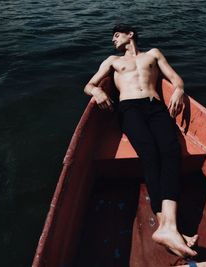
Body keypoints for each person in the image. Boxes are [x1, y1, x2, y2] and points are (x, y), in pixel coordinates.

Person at [83, 24, 198, 258]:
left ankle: (169, 228)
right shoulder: (113, 60)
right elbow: (89, 84)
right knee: (150, 153)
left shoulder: (153, 54)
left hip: (155, 107)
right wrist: (97, 92)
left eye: (116, 34)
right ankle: (167, 227)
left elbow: (176, 79)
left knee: (170, 150)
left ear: (130, 34)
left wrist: (178, 90)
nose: (113, 39)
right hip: (129, 109)